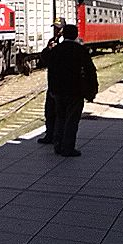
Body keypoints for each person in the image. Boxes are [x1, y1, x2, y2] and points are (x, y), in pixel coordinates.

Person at [42, 23, 98, 157]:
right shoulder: (80, 50)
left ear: (63, 35)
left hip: (57, 91)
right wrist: (92, 90)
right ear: (76, 35)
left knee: (60, 118)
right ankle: (68, 147)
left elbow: (44, 60)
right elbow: (90, 71)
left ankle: (58, 145)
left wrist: (48, 47)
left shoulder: (56, 49)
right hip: (75, 91)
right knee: (72, 120)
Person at [37, 21, 65, 145]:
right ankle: (49, 134)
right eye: (55, 28)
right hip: (52, 83)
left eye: (58, 29)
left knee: (60, 112)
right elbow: (44, 59)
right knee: (49, 111)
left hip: (63, 84)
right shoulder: (52, 41)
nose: (56, 31)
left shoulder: (67, 44)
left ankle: (59, 137)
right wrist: (48, 49)